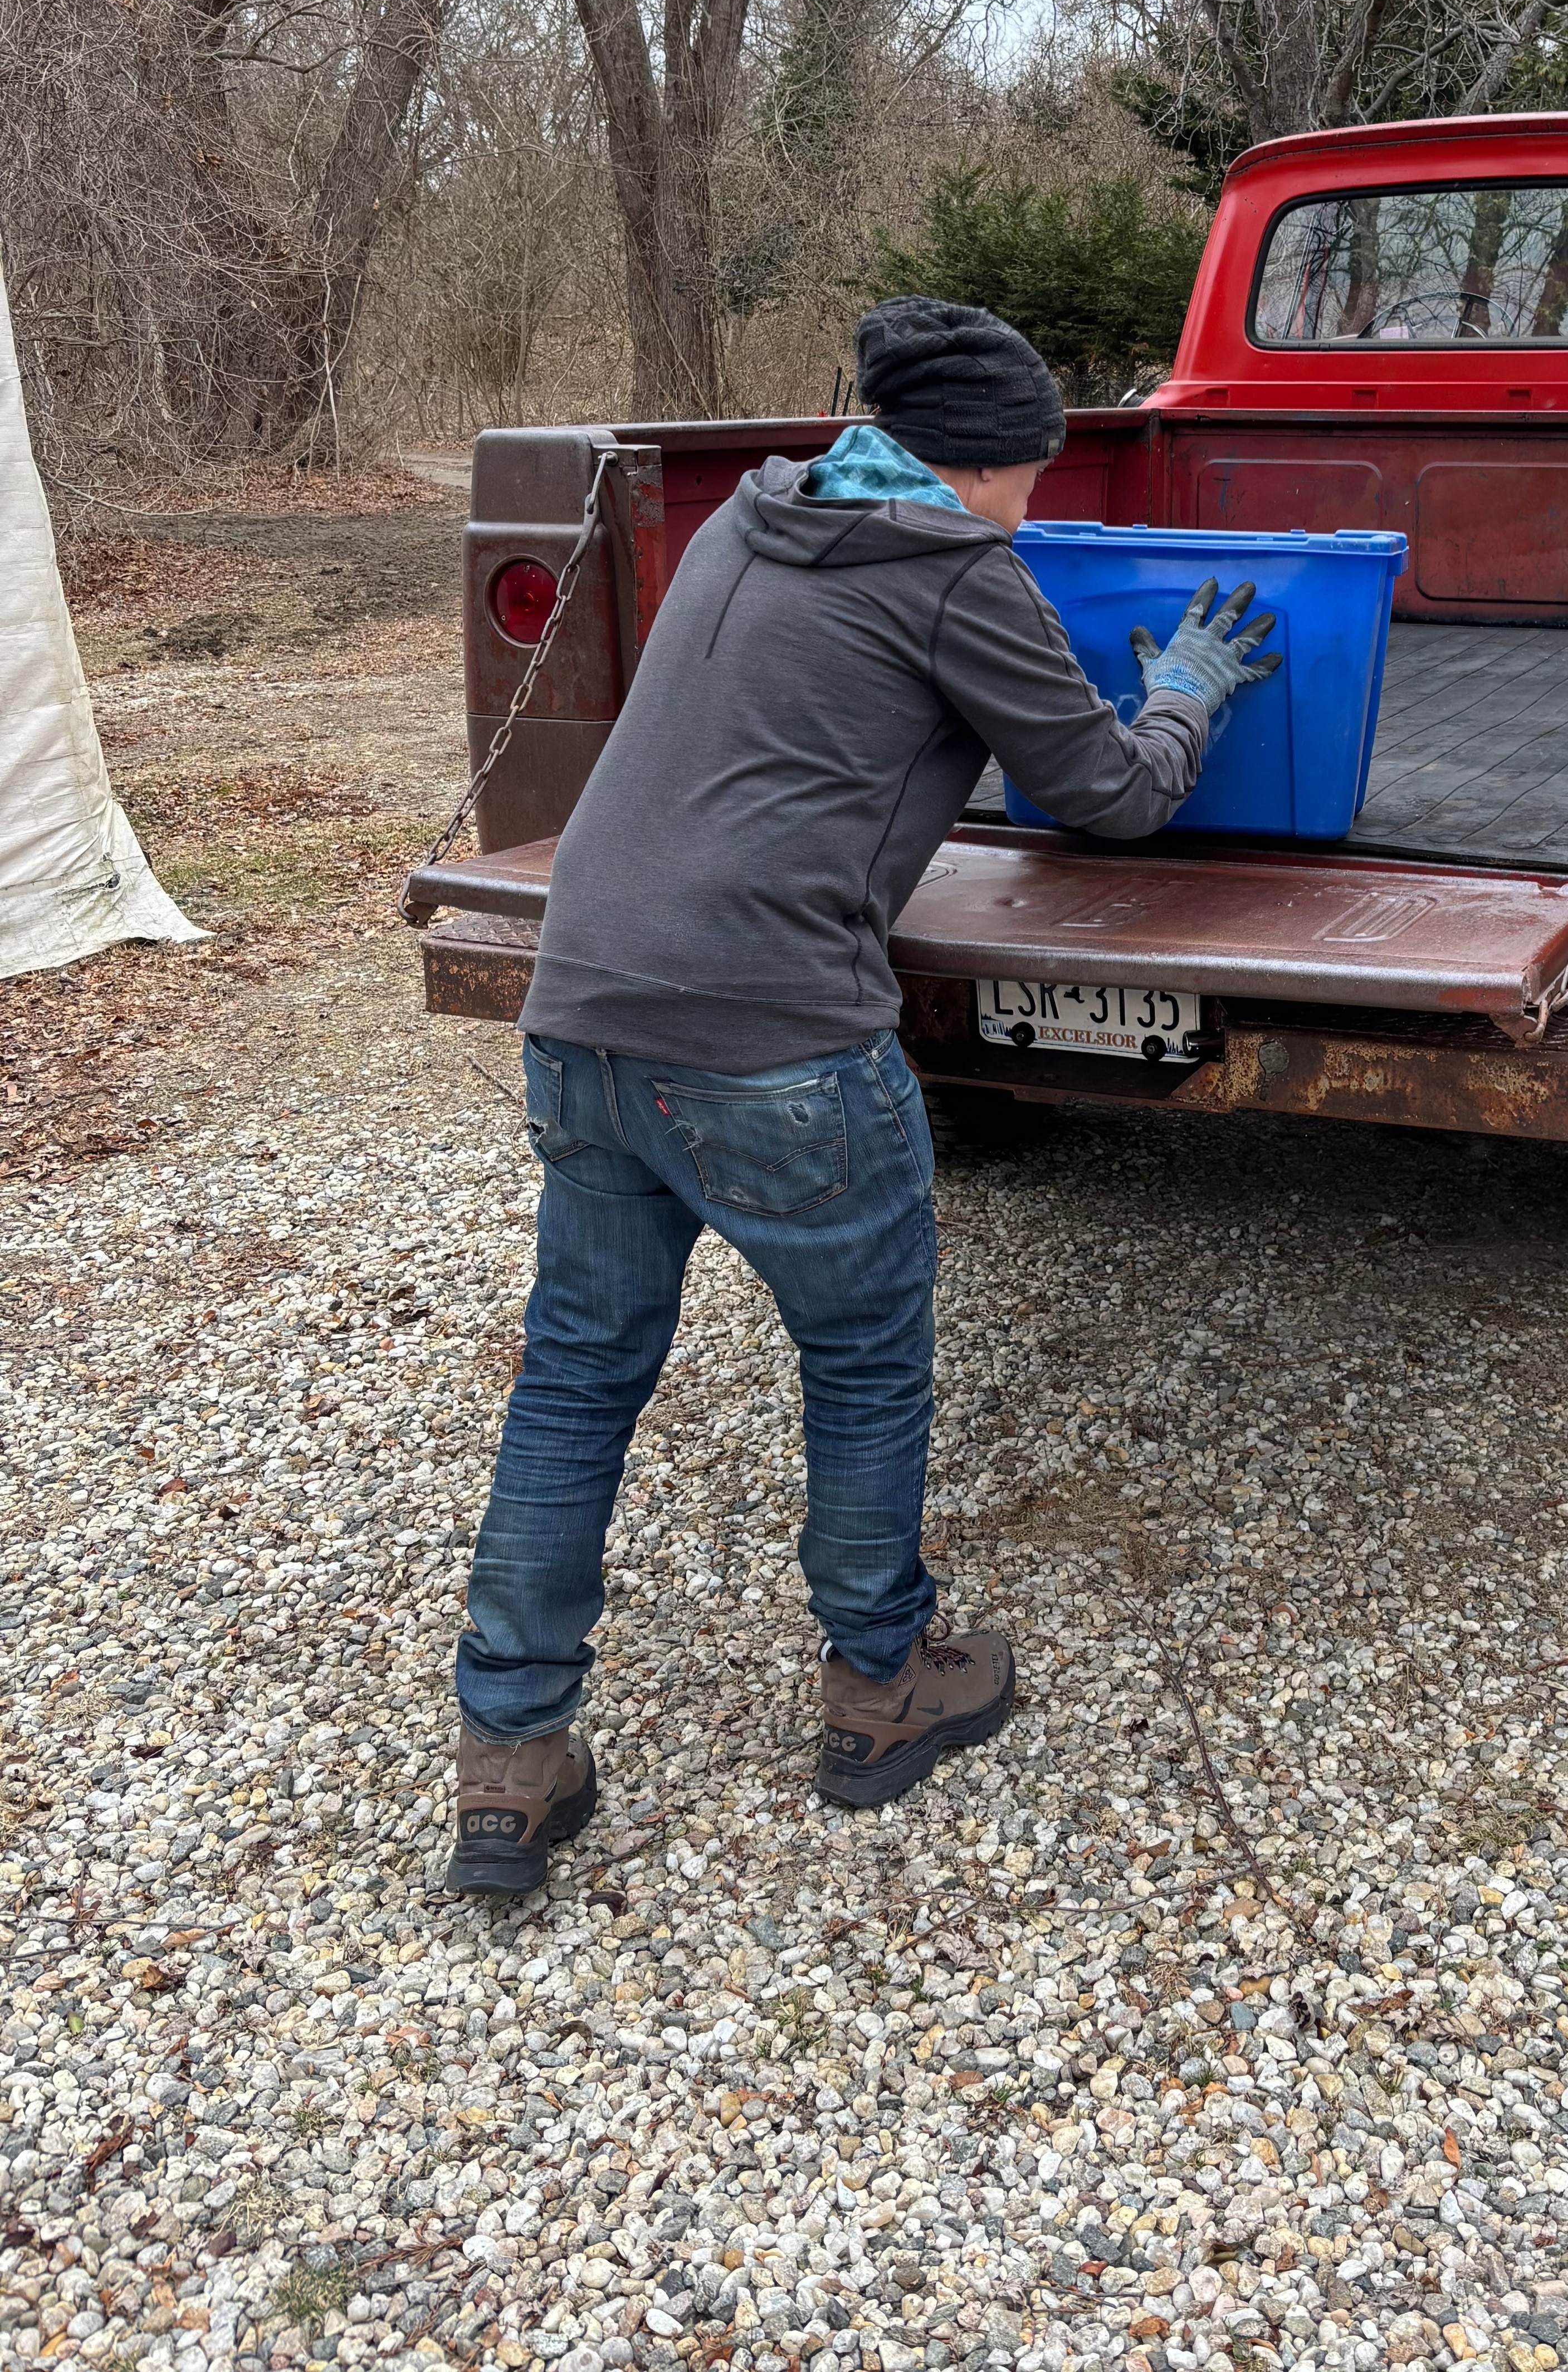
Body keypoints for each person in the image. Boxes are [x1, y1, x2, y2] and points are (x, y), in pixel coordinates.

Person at [443, 298, 1279, 1892]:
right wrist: (1183, 688)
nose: (1034, 504)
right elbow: (1108, 797)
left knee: (574, 1381)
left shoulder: (751, 522)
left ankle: (511, 1755)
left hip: (586, 1017)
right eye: (1028, 475)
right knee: (864, 1361)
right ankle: (884, 1687)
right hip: (773, 1044)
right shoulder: (962, 573)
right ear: (984, 469)